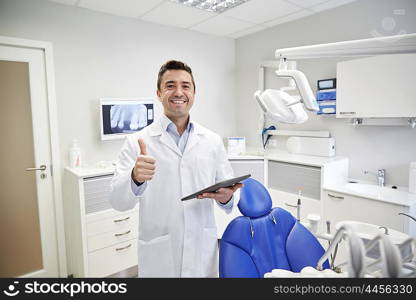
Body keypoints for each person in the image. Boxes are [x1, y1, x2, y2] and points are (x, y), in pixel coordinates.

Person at [109, 60, 242, 278]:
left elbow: (229, 199)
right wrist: (135, 178)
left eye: (185, 86)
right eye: (170, 85)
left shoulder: (212, 140)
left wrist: (226, 198)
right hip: (160, 255)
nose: (178, 92)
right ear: (159, 92)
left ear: (194, 93)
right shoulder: (137, 142)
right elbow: (117, 201)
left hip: (202, 250)